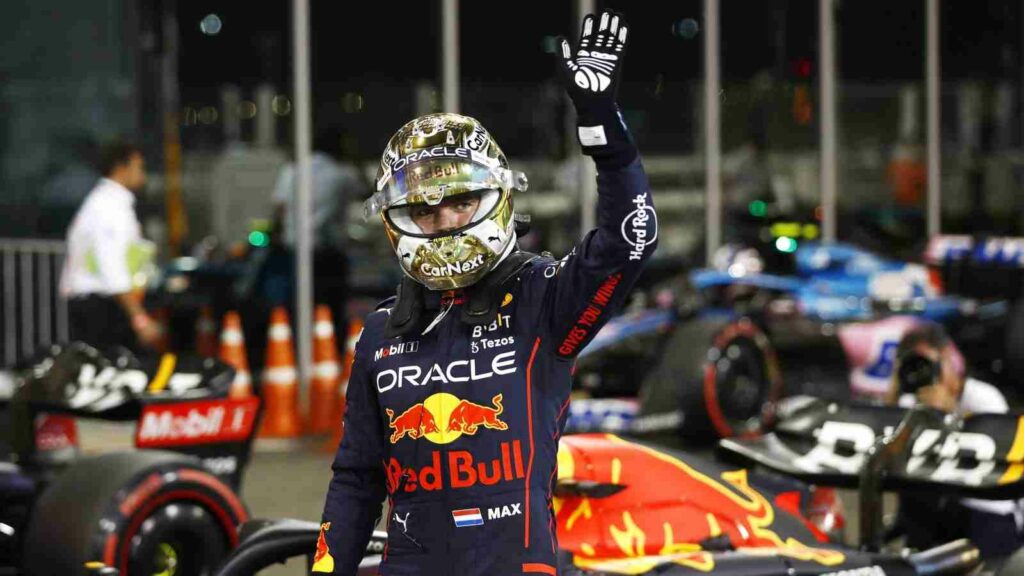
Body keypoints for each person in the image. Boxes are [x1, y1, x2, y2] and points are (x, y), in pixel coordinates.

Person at [316, 11, 655, 575]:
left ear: (496, 198)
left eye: (461, 202)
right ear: (394, 218)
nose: (444, 220)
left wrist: (602, 126)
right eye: (424, 209)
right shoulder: (379, 333)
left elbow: (629, 240)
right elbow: (355, 480)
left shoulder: (542, 300)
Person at [887, 323, 1019, 558]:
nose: (923, 373)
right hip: (936, 506)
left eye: (927, 363)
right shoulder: (912, 403)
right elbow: (889, 454)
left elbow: (993, 456)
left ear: (947, 358)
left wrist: (949, 411)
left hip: (984, 506)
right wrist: (895, 393)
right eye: (914, 365)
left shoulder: (983, 397)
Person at [59, 139, 160, 351]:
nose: (143, 173)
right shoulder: (108, 208)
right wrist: (139, 318)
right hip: (102, 309)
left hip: (103, 305)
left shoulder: (108, 203)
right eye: (139, 166)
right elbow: (112, 269)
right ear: (121, 167)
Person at [269, 130, 367, 330]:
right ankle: (330, 349)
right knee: (330, 307)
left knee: (298, 303)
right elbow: (366, 190)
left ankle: (298, 347)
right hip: (329, 252)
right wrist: (356, 159)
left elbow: (279, 209)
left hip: (296, 249)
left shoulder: (291, 171)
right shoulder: (342, 174)